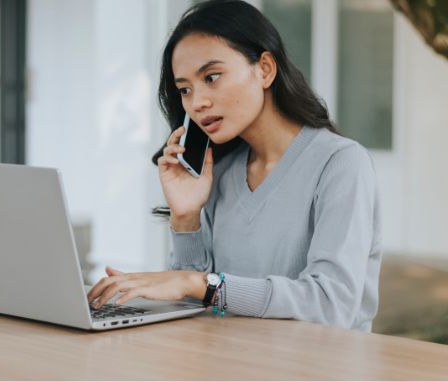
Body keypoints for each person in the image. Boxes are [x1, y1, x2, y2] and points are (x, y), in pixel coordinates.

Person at [86, 0, 381, 331]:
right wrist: (186, 218)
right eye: (185, 89)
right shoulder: (220, 171)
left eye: (212, 77)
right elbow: (191, 303)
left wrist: (201, 284)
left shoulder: (340, 164)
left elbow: (331, 304)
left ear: (265, 69)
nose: (197, 102)